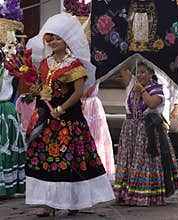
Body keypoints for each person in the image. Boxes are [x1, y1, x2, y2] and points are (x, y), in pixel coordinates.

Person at [24, 13, 115, 216]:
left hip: (68, 122)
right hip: (47, 122)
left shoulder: (74, 65)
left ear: (67, 41)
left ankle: (73, 201)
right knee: (45, 161)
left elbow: (78, 92)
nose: (54, 42)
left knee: (69, 162)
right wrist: (35, 90)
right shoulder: (45, 63)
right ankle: (48, 203)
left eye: (58, 38)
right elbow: (42, 87)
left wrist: (61, 109)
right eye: (51, 38)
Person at [114, 60, 178, 206]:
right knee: (128, 161)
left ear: (151, 74)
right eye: (138, 72)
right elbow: (123, 69)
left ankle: (146, 194)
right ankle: (126, 193)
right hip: (130, 129)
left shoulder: (157, 89)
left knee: (144, 161)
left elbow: (152, 103)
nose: (140, 75)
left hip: (147, 130)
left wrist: (142, 91)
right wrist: (135, 54)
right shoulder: (133, 83)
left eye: (144, 72)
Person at [0, 48, 25, 198]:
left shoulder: (7, 72)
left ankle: (6, 189)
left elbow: (22, 68)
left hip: (5, 110)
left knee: (5, 145)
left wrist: (17, 49)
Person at [81, 83, 116, 182]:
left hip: (92, 106)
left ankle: (98, 171)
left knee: (97, 139)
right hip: (81, 103)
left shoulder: (95, 71)